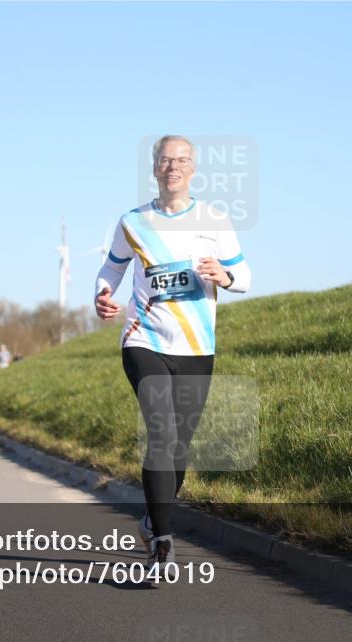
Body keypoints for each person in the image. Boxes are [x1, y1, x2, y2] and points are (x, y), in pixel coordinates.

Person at [94, 135, 251, 570]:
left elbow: (245, 275)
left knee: (179, 446)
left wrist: (224, 274)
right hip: (145, 339)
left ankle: (150, 519)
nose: (173, 167)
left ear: (193, 168)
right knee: (161, 433)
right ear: (155, 168)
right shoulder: (133, 222)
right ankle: (162, 543)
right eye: (166, 160)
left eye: (181, 160)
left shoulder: (214, 219)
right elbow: (111, 267)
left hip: (197, 347)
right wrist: (103, 294)